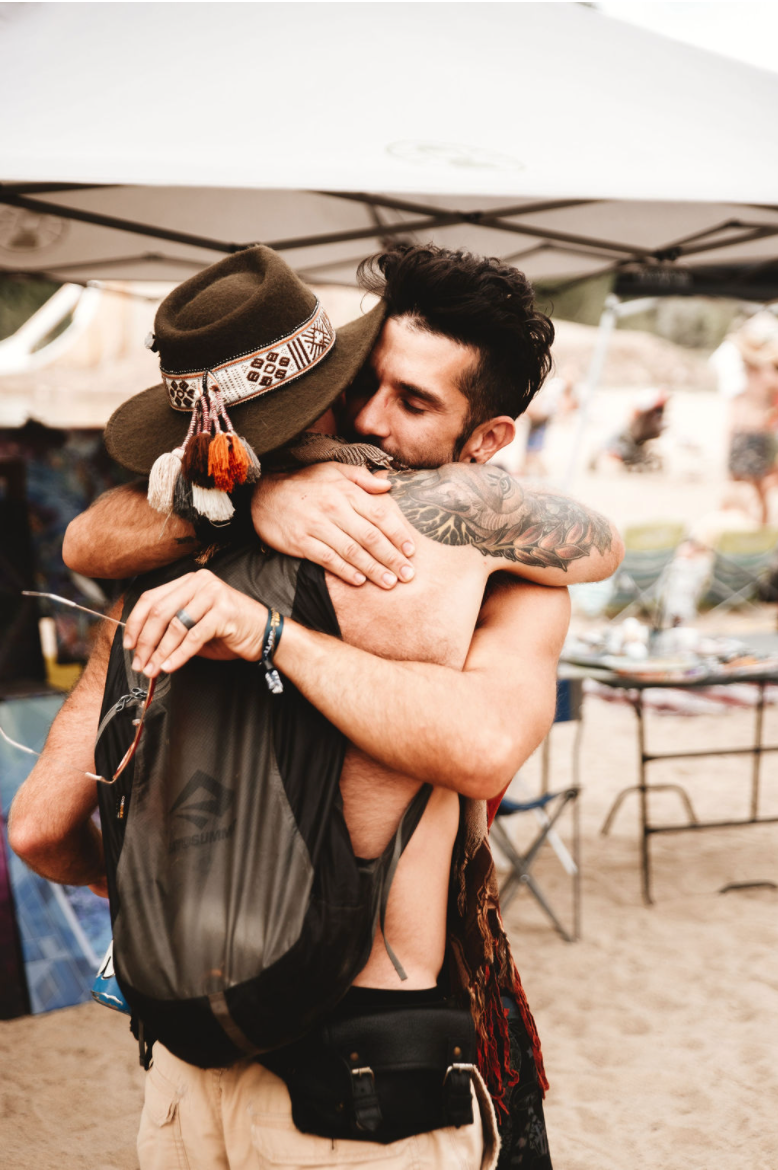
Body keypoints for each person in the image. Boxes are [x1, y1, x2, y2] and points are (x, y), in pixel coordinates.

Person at [10, 244, 623, 1170]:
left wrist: (170, 882)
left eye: (413, 402)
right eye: (365, 384)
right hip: (362, 1089)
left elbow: (40, 833)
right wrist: (257, 510)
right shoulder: (453, 559)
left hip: (184, 1072)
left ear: (488, 441)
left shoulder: (158, 578)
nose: (371, 420)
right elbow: (495, 733)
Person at [711, 312, 778, 523]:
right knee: (738, 482)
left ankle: (759, 525)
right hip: (745, 431)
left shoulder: (765, 371)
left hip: (754, 432)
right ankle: (736, 521)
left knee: (757, 485)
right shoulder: (747, 371)